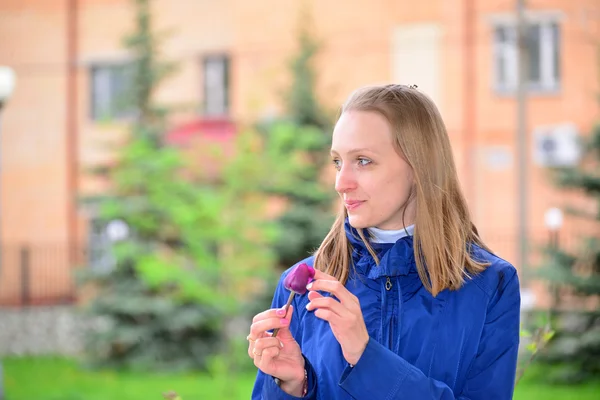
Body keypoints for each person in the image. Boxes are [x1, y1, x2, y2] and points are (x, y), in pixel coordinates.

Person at [247, 84, 521, 399]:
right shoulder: (304, 286)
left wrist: (367, 358)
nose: (341, 183)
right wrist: (290, 386)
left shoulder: (491, 284)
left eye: (363, 161)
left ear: (419, 167)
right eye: (338, 162)